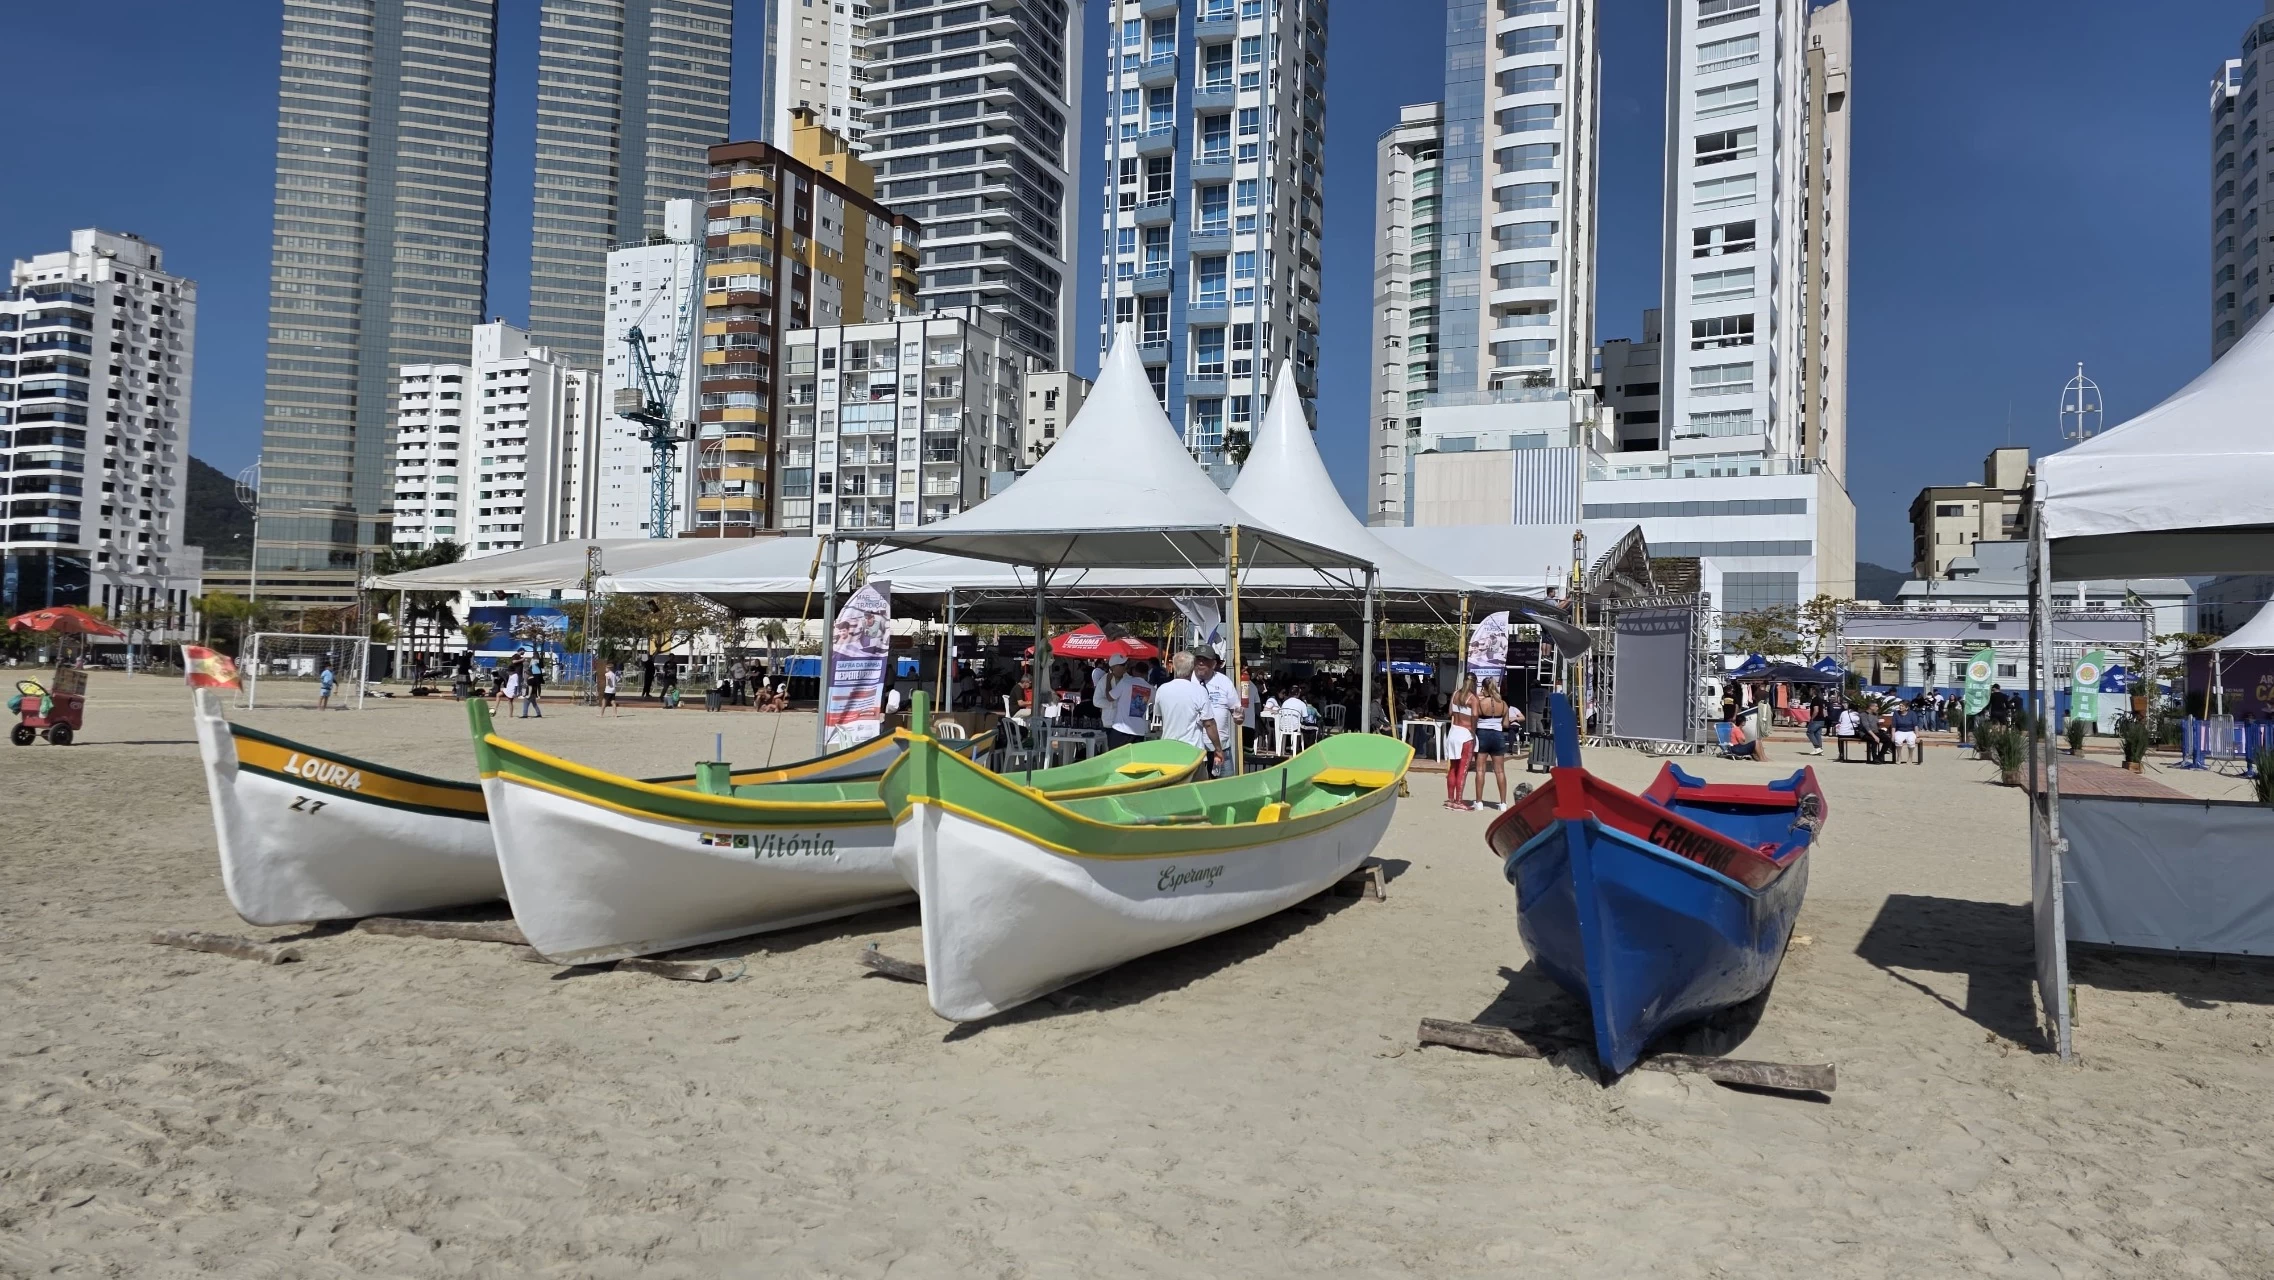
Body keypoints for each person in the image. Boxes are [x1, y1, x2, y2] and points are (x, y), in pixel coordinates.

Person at [1154, 650, 1224, 774]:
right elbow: (1209, 723)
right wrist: (1218, 749)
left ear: (1174, 667)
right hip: (1193, 753)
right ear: (1192, 668)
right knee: (1197, 789)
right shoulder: (1199, 691)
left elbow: (1159, 716)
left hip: (1169, 751)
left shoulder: (1162, 690)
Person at [1191, 647, 1240, 773]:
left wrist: (1239, 716)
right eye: (1198, 659)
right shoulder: (1187, 682)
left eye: (1205, 660)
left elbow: (1237, 712)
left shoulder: (1224, 682)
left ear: (1213, 664)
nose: (1201, 663)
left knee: (1225, 789)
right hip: (1194, 749)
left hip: (1221, 748)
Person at [1096, 653, 1153, 750]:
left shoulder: (1126, 682)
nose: (1126, 667)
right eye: (1123, 665)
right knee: (1134, 762)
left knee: (1115, 759)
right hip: (1138, 730)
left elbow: (1110, 697)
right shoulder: (1151, 689)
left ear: (1134, 671)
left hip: (1121, 729)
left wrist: (1108, 682)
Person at [1471, 678, 1513, 810]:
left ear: (1484, 688)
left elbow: (1474, 719)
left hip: (1482, 734)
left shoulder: (1480, 702)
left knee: (1480, 769)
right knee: (1500, 771)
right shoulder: (1504, 704)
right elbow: (1506, 724)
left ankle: (1479, 802)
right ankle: (1503, 803)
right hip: (1498, 735)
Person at [1444, 673, 1479, 811]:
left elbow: (1450, 712)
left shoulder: (1455, 694)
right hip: (1466, 734)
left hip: (1453, 732)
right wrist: (1474, 731)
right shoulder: (1473, 699)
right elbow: (1475, 716)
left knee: (1453, 767)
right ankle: (1459, 801)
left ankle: (1450, 799)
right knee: (1463, 770)